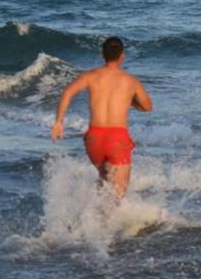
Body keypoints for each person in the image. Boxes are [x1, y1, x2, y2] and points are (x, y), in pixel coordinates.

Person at [51, 37, 153, 197]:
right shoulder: (131, 81)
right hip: (117, 139)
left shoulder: (90, 76)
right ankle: (107, 221)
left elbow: (67, 93)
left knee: (104, 180)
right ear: (122, 56)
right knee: (117, 196)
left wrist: (58, 122)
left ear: (102, 55)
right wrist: (130, 101)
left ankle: (91, 218)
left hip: (94, 138)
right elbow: (148, 107)